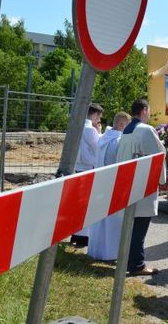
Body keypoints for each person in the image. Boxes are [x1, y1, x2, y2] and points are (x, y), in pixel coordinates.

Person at [115, 99, 166, 276]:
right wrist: (162, 180)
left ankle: (127, 260)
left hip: (127, 184)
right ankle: (137, 264)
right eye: (149, 110)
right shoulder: (145, 130)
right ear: (144, 110)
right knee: (140, 228)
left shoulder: (126, 131)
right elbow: (159, 155)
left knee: (130, 226)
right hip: (142, 185)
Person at [87, 112, 131, 261]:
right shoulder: (118, 141)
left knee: (100, 219)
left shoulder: (103, 138)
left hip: (100, 182)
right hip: (113, 183)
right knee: (113, 220)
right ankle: (111, 253)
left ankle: (96, 251)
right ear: (121, 125)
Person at [71, 102, 103, 247]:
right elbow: (99, 146)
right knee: (86, 204)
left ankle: (75, 234)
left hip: (77, 166)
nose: (99, 121)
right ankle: (84, 236)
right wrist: (99, 131)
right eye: (99, 117)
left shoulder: (76, 126)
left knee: (78, 203)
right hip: (88, 167)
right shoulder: (90, 129)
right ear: (95, 115)